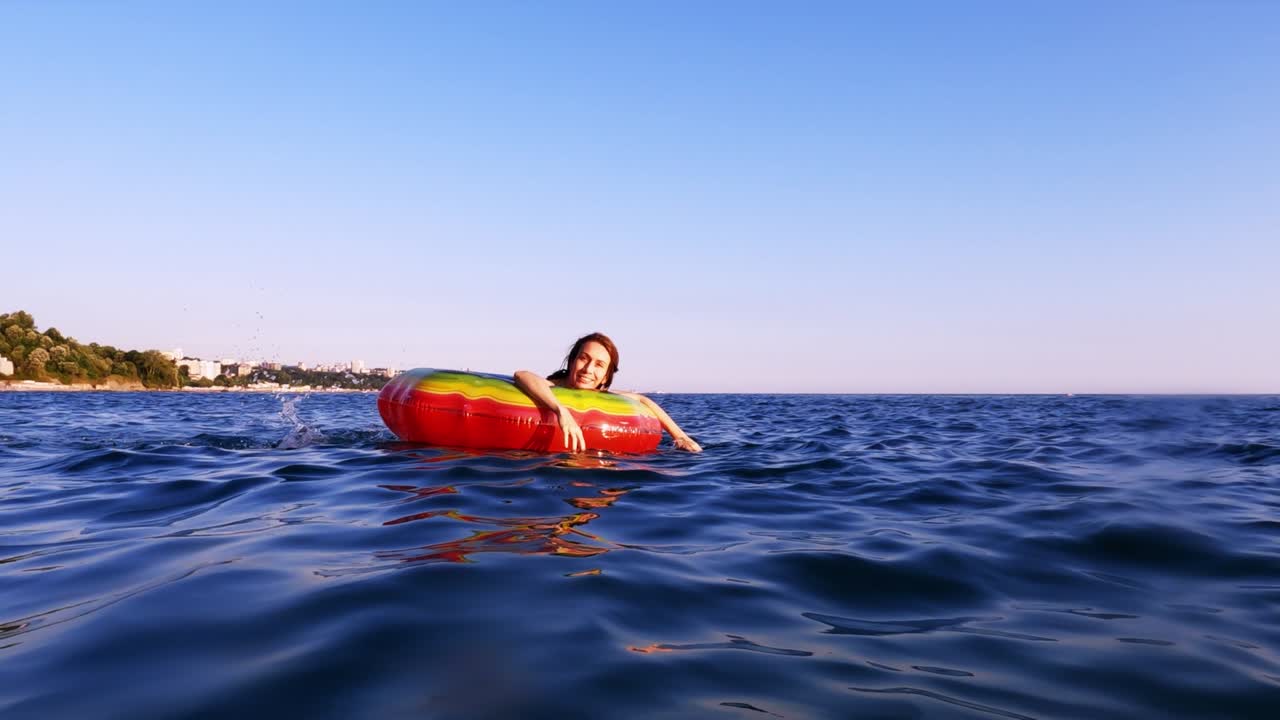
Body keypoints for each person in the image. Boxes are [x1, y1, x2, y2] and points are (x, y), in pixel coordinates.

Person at [513, 332, 702, 454]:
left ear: (605, 376)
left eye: (599, 365)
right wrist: (560, 410)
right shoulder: (554, 386)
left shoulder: (602, 393)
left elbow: (642, 399)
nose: (588, 369)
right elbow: (522, 375)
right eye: (583, 359)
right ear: (572, 362)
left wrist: (680, 436)